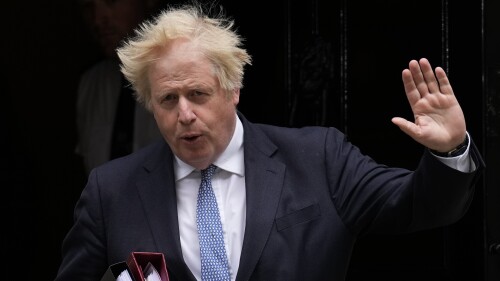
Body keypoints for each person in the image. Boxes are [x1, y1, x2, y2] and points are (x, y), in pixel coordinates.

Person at [55, 3, 485, 281]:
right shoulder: (111, 192)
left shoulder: (318, 159)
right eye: (168, 99)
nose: (184, 113)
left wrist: (448, 151)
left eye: (198, 94)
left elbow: (420, 206)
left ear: (232, 88)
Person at [75, 0, 165, 175]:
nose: (97, 19)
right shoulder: (91, 85)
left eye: (111, 2)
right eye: (88, 7)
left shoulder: (190, 73)